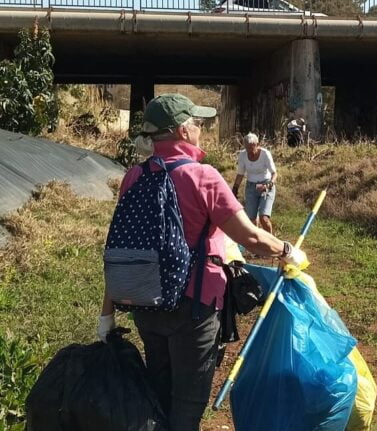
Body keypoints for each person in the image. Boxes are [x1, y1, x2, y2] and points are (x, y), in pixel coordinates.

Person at [96, 94, 307, 431]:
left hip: (144, 303)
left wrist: (106, 315)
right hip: (193, 307)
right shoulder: (203, 176)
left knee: (158, 394)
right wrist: (286, 250)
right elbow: (251, 237)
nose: (200, 128)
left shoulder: (134, 177)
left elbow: (121, 247)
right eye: (197, 122)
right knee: (188, 404)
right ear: (182, 130)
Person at [232, 132, 277, 234]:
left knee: (264, 218)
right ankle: (257, 242)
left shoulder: (265, 154)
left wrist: (269, 185)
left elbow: (274, 173)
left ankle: (270, 241)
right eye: (247, 149)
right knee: (251, 219)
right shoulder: (243, 155)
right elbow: (240, 174)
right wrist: (235, 188)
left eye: (252, 149)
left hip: (265, 185)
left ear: (257, 145)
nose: (250, 152)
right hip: (251, 187)